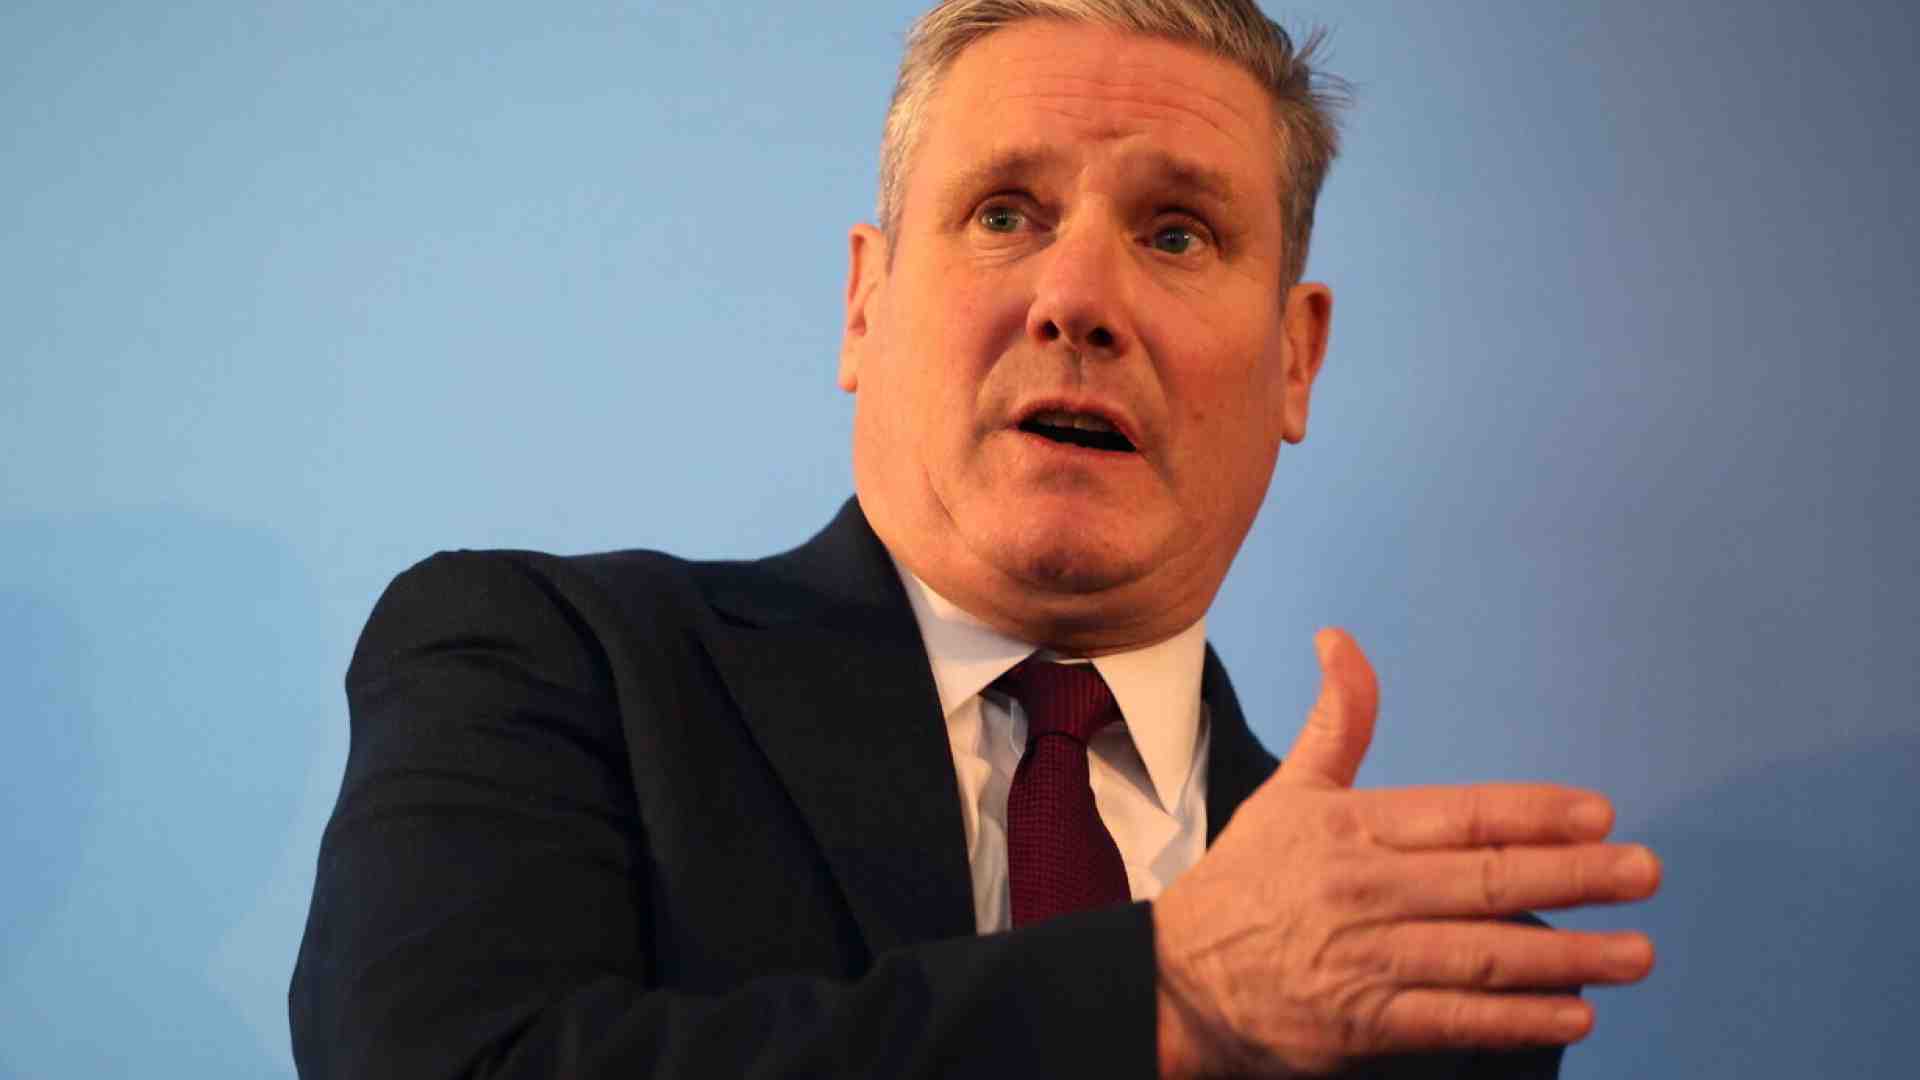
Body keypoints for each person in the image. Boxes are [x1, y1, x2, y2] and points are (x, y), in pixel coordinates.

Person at [289, 2, 1661, 1076]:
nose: (1079, 298)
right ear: (865, 304)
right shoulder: (550, 668)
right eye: (1006, 213)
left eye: (1178, 234)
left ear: (1295, 360)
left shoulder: (1419, 972)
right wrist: (1164, 997)